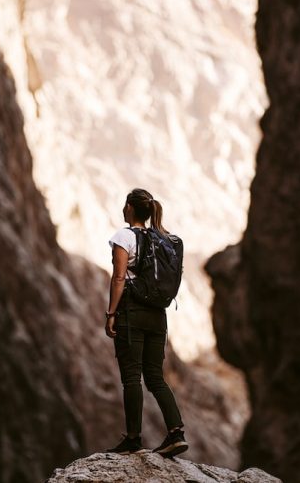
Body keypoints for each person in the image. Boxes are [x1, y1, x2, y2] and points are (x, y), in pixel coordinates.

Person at [104, 188, 188, 457]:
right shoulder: (163, 239)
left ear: (129, 207)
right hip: (158, 315)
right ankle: (176, 433)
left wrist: (111, 314)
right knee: (155, 377)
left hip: (132, 313)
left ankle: (133, 439)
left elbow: (119, 278)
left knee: (132, 377)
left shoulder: (124, 236)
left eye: (125, 204)